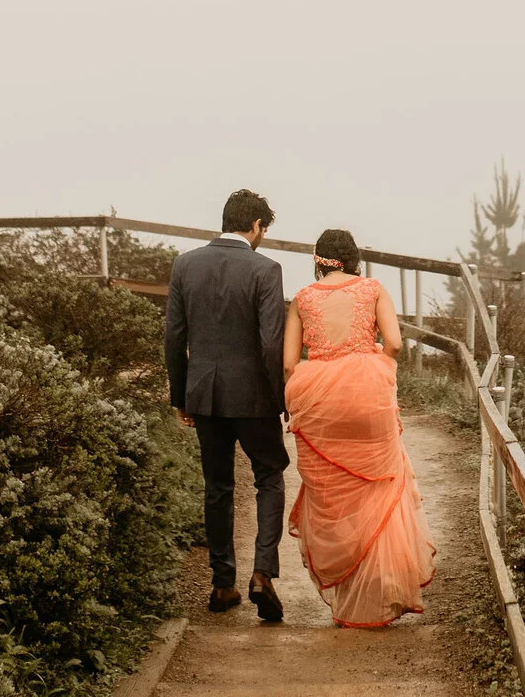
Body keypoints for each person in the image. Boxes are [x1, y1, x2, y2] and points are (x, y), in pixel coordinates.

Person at [282, 227, 434, 627]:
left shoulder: (302, 299)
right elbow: (395, 344)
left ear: (318, 261)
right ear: (353, 259)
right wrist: (374, 363)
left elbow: (289, 364)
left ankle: (349, 594)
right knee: (378, 487)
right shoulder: (373, 289)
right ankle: (384, 588)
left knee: (332, 492)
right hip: (368, 394)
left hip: (318, 400)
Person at [166, 188, 290, 622]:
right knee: (269, 477)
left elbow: (174, 338)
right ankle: (262, 574)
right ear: (255, 226)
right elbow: (271, 343)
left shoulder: (185, 265)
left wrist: (181, 396)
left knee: (217, 486)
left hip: (205, 395)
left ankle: (222, 584)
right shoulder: (266, 269)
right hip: (255, 397)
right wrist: (280, 398)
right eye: (263, 229)